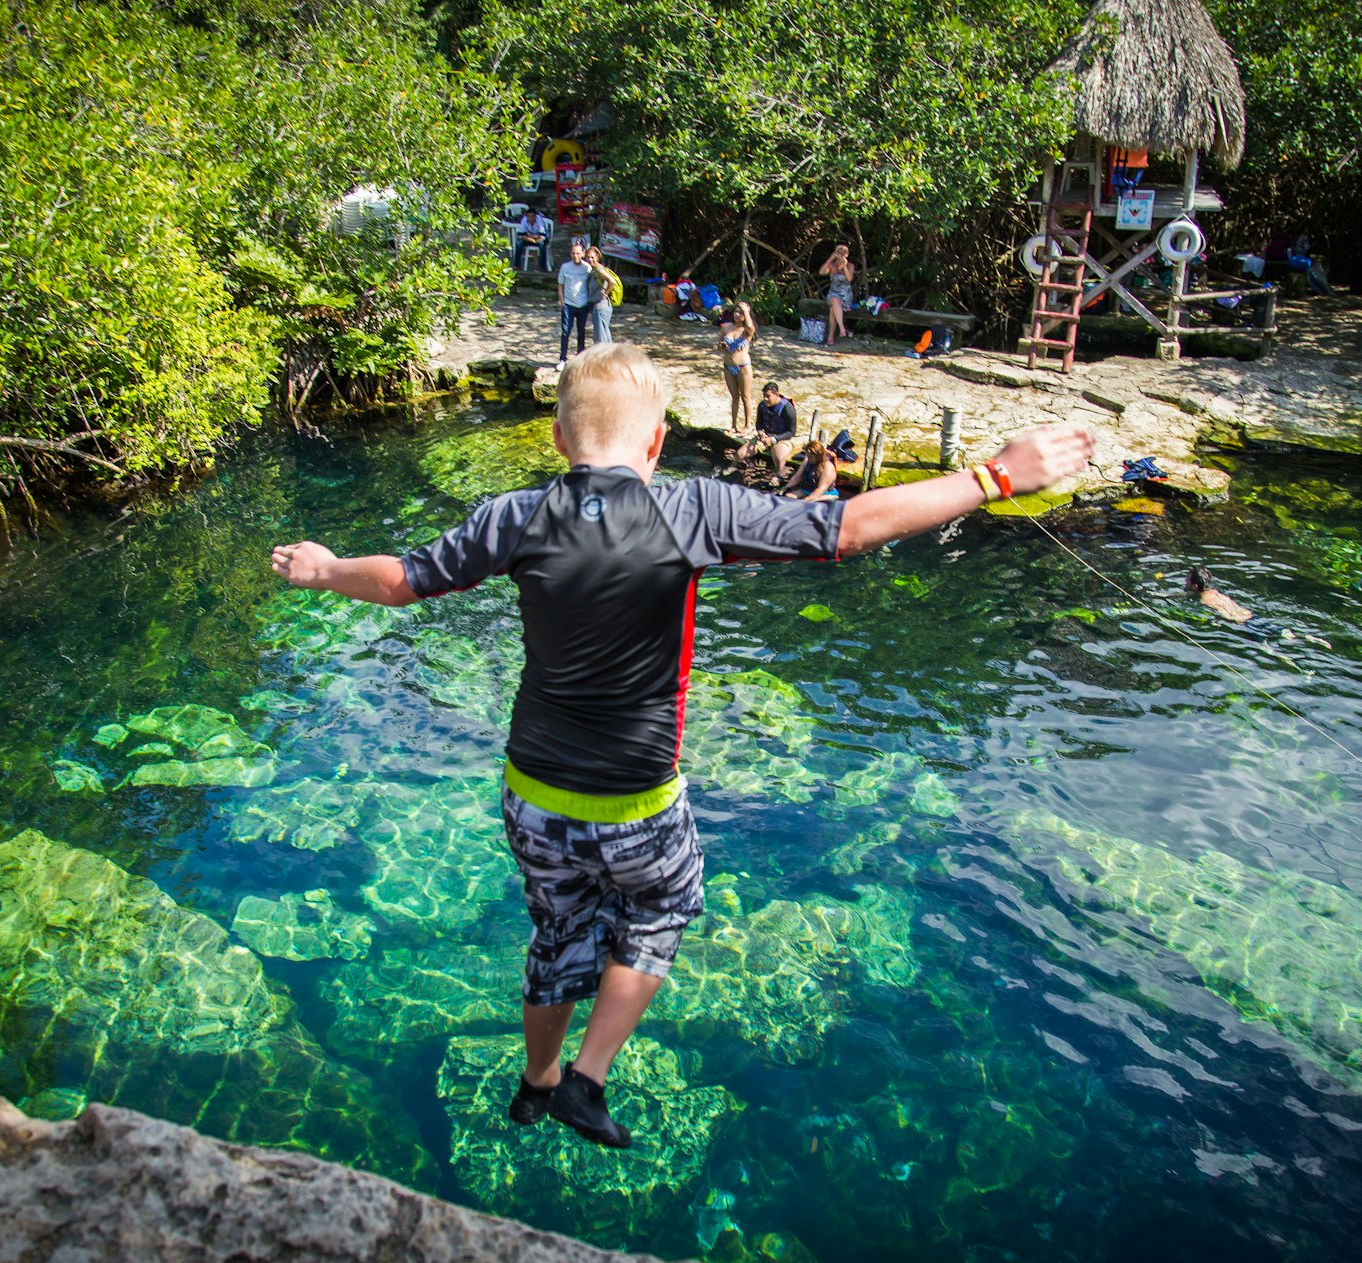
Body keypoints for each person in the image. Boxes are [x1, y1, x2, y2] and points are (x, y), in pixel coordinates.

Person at [269, 344, 1095, 1149]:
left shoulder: (513, 516)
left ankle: (538, 1079)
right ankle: (588, 1079)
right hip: (638, 805)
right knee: (661, 907)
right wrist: (993, 477)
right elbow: (846, 529)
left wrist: (323, 566)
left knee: (559, 934)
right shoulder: (689, 508)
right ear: (657, 442)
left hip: (533, 796)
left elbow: (398, 582)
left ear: (559, 440)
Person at [1184, 567, 1331, 648]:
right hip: (1252, 616)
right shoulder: (1216, 592)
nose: (1185, 580)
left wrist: (1215, 622)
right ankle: (1310, 638)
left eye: (1188, 579)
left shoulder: (1204, 601)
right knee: (1286, 635)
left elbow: (1220, 615)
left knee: (1266, 649)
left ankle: (1296, 667)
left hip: (1245, 624)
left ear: (1195, 586)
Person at [728, 382, 797, 477]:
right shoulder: (762, 405)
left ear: (776, 395)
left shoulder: (787, 408)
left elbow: (792, 433)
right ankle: (736, 468)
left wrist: (773, 439)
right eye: (764, 396)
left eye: (768, 396)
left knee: (779, 458)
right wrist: (760, 432)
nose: (765, 399)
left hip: (781, 438)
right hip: (765, 437)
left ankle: (778, 477)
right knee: (739, 454)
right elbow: (758, 424)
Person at [717, 302, 757, 435]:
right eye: (736, 312)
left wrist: (746, 310)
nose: (737, 314)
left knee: (745, 396)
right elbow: (718, 345)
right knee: (734, 397)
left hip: (743, 367)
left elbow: (751, 326)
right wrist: (722, 346)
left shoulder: (747, 331)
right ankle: (733, 425)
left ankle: (748, 425)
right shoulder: (726, 327)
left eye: (741, 312)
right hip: (728, 366)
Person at [557, 241, 593, 369]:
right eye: (573, 253)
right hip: (568, 304)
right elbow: (560, 285)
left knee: (581, 332)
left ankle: (580, 358)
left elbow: (592, 284)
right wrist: (562, 302)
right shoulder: (565, 267)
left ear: (583, 254)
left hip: (582, 305)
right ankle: (562, 359)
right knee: (565, 331)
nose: (575, 256)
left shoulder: (587, 268)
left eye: (578, 253)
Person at [817, 244, 856, 347]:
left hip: (845, 294)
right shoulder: (832, 265)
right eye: (839, 251)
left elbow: (849, 279)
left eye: (843, 252)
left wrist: (845, 266)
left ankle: (830, 336)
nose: (841, 253)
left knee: (832, 310)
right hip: (833, 292)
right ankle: (842, 328)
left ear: (847, 254)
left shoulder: (850, 265)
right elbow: (821, 272)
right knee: (834, 299)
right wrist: (830, 259)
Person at [585, 246, 622, 346]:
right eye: (588, 257)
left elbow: (612, 281)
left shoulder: (599, 270)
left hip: (601, 306)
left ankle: (603, 359)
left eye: (592, 257)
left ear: (597, 257)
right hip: (600, 306)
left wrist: (606, 293)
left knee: (600, 337)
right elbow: (605, 282)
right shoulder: (594, 270)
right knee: (605, 335)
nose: (590, 259)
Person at [513, 207, 553, 272]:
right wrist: (530, 239)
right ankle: (517, 265)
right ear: (526, 216)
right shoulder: (524, 221)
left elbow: (542, 236)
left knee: (542, 245)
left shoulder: (539, 221)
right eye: (529, 216)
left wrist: (530, 236)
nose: (531, 218)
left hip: (541, 239)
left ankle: (542, 267)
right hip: (529, 239)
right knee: (518, 243)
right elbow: (522, 235)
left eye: (532, 216)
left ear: (535, 216)